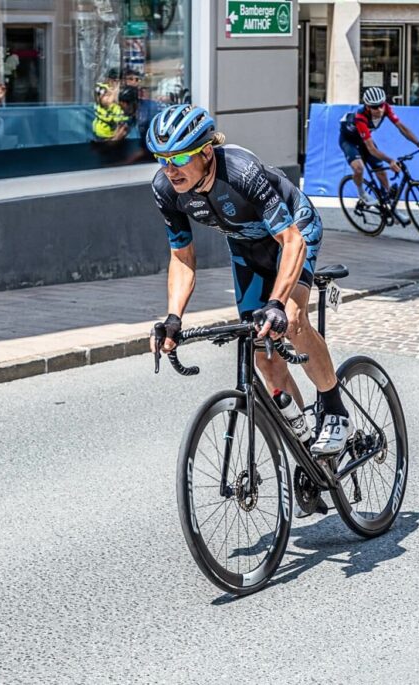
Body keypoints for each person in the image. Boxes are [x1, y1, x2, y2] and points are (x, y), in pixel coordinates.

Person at [147, 104, 353, 459]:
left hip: (294, 232)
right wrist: (173, 318)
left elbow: (291, 241)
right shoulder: (166, 189)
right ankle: (304, 446)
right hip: (247, 248)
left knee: (290, 320)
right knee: (264, 353)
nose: (170, 169)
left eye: (179, 157)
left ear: (206, 151)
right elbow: (182, 256)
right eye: (161, 158)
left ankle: (334, 409)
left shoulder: (241, 171)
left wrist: (276, 304)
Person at [338, 86, 419, 205]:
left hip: (364, 141)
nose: (380, 110)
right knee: (359, 168)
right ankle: (362, 194)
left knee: (381, 171)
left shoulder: (386, 108)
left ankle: (390, 205)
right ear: (367, 106)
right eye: (374, 107)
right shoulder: (360, 118)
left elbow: (401, 127)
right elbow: (371, 149)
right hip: (349, 141)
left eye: (381, 105)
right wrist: (390, 161)